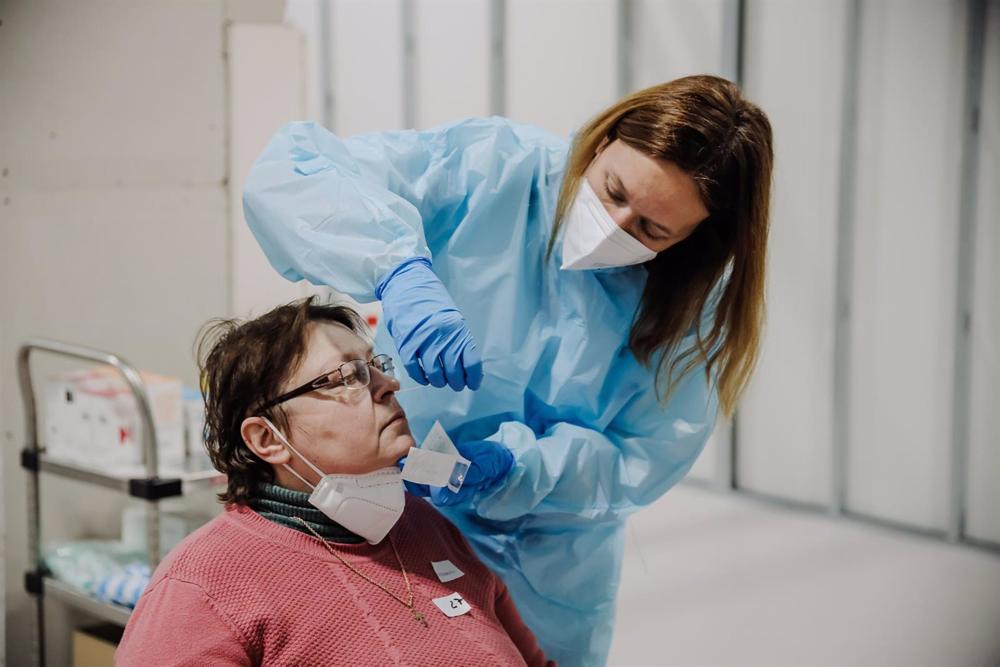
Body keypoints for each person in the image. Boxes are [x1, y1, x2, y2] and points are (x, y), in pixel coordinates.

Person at [243, 74, 773, 666]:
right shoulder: (493, 170)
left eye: (653, 229)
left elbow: (642, 457)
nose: (615, 226)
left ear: (695, 239)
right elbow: (293, 173)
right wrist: (396, 265)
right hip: (402, 512)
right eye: (611, 190)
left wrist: (522, 468)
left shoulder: (695, 299)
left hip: (553, 563)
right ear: (600, 144)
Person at [115, 298, 553, 667]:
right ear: (268, 438)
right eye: (347, 377)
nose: (389, 384)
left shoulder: (428, 527)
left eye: (375, 366)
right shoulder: (204, 587)